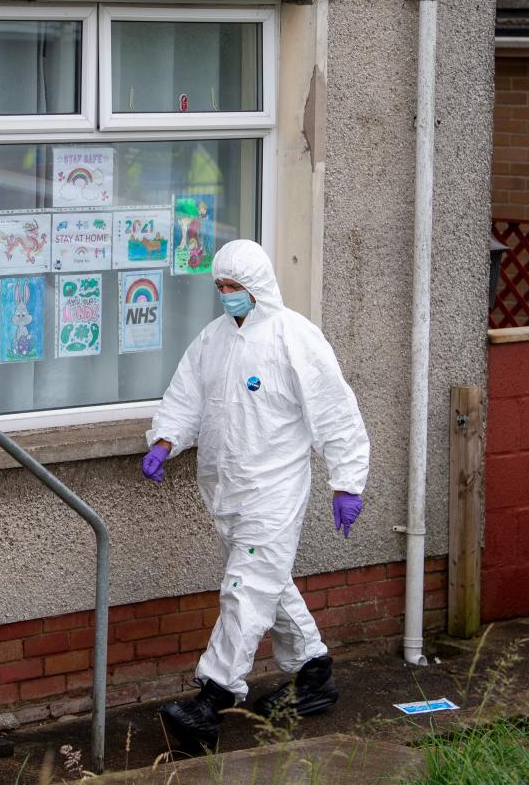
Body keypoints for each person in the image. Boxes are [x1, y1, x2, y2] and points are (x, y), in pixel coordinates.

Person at [141, 239, 370, 753]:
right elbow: (187, 396)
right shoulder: (214, 339)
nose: (226, 296)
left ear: (258, 287)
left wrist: (347, 482)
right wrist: (164, 440)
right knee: (266, 582)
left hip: (273, 491)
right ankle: (313, 674)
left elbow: (336, 413)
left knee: (244, 588)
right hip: (226, 491)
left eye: (235, 287)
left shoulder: (295, 338)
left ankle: (212, 697)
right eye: (220, 287)